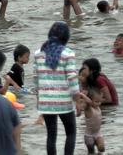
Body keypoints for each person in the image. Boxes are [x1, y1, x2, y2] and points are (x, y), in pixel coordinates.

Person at [35, 22, 78, 155]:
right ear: (66, 36)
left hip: (46, 102)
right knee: (71, 132)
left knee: (51, 135)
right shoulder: (68, 53)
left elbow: (36, 78)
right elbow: (72, 78)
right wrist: (77, 98)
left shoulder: (39, 53)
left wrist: (39, 98)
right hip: (64, 101)